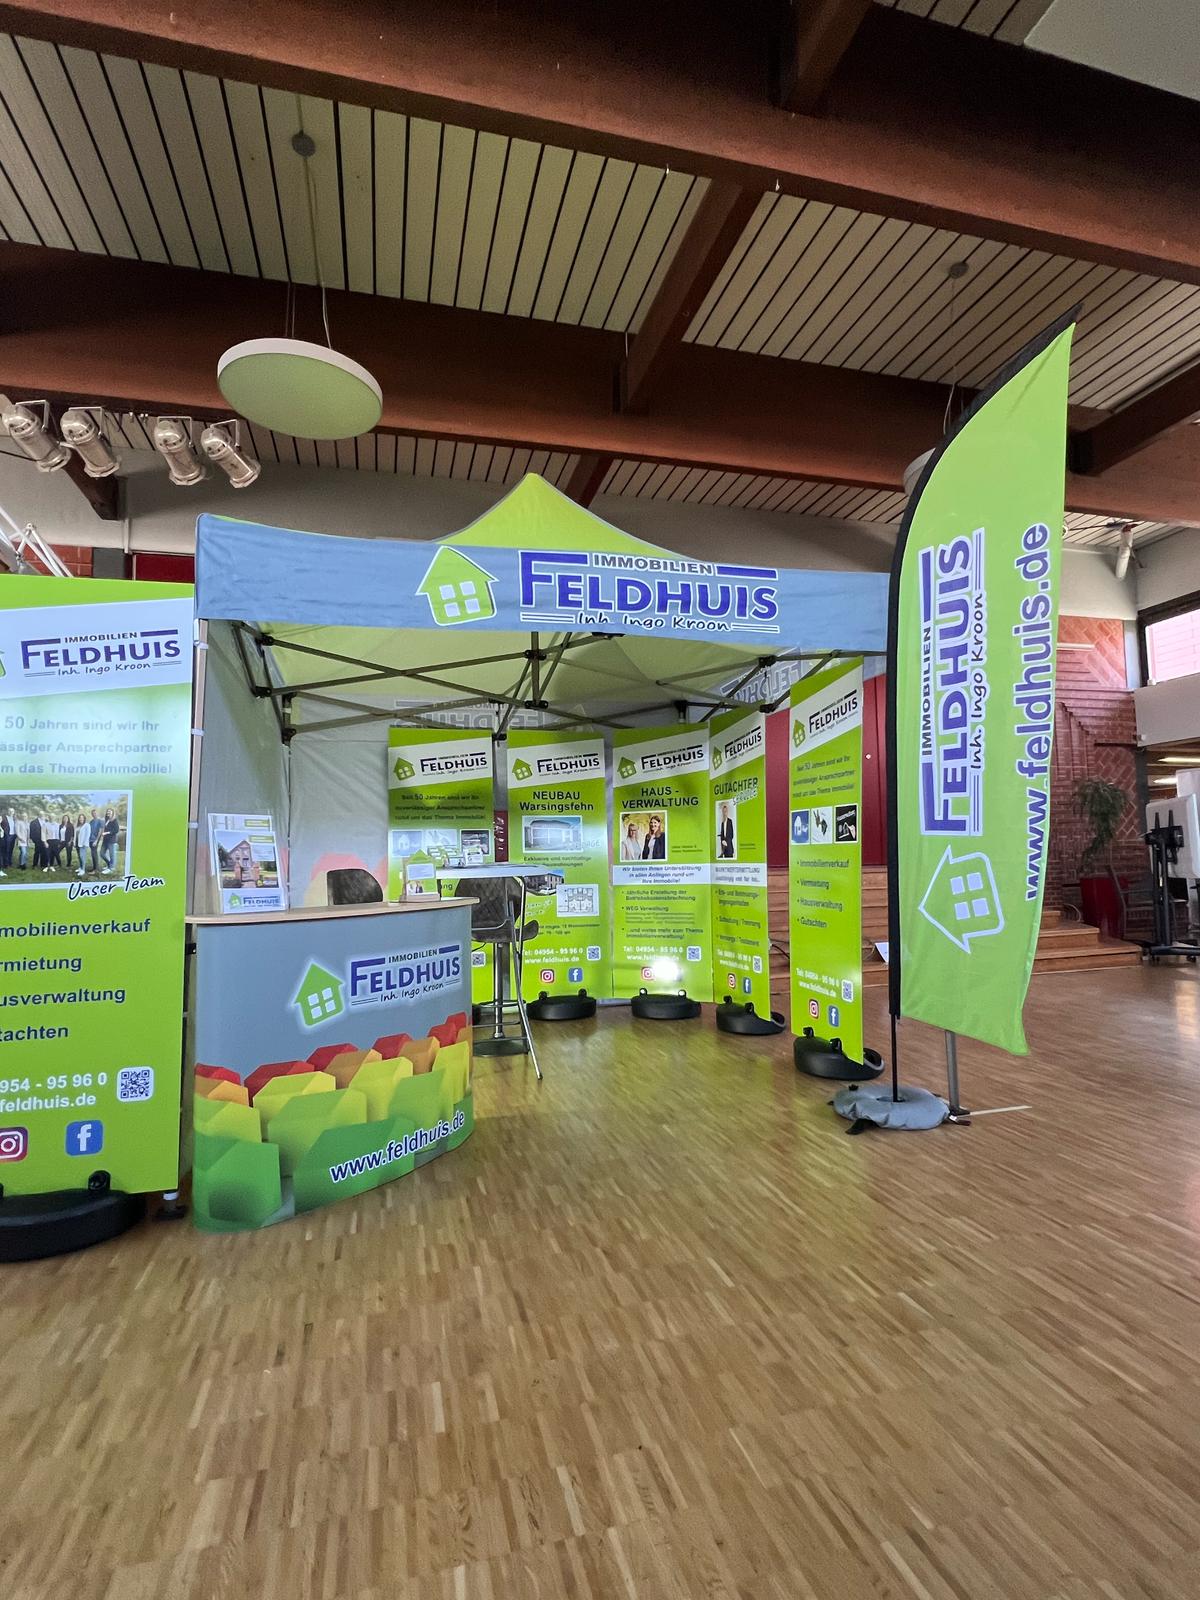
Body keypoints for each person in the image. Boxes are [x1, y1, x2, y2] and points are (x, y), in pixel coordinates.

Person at [100, 807, 120, 874]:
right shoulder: (107, 819)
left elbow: (116, 830)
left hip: (111, 840)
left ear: (112, 813)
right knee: (102, 853)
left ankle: (111, 868)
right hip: (105, 840)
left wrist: (107, 833)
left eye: (110, 811)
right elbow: (105, 828)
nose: (108, 812)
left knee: (112, 855)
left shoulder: (115, 820)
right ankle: (109, 864)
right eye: (107, 811)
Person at [84, 808, 102, 874]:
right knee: (93, 853)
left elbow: (100, 831)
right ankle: (94, 868)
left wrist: (96, 840)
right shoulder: (91, 822)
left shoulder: (100, 821)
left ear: (97, 813)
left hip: (95, 840)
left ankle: (96, 870)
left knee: (94, 854)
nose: (94, 814)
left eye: (95, 813)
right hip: (90, 840)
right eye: (93, 813)